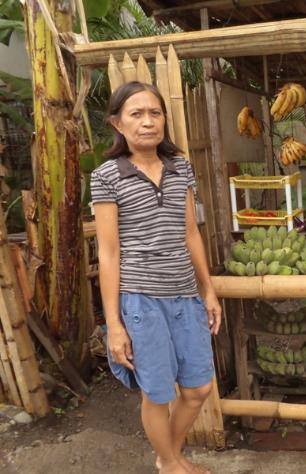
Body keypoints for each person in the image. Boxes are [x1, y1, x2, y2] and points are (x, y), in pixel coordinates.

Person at [91, 81, 221, 474]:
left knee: (199, 388)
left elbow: (191, 233)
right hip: (141, 301)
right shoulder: (106, 176)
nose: (148, 122)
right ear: (118, 123)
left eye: (155, 113)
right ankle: (173, 464)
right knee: (158, 393)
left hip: (185, 296)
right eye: (136, 114)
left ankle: (168, 458)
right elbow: (108, 253)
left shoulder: (181, 168)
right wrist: (114, 324)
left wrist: (208, 290)